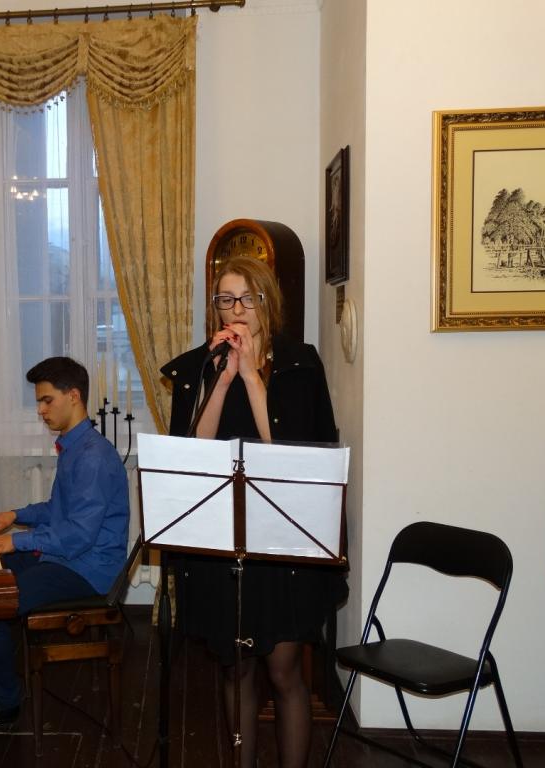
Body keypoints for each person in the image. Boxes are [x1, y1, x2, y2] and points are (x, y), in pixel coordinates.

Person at [160, 255, 346, 768]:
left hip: (282, 539)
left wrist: (251, 377)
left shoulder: (299, 364)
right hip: (223, 538)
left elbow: (290, 451)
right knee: (235, 668)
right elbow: (194, 451)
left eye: (247, 298)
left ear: (268, 303)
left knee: (284, 671)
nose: (236, 310)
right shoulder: (199, 367)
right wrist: (222, 381)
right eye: (226, 299)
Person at [0, 356, 130, 736]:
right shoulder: (76, 445)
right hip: (66, 557)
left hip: (88, 568)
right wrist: (13, 515)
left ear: (74, 396)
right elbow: (58, 509)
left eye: (46, 400)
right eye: (39, 402)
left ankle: (5, 702)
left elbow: (78, 535)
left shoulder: (92, 457)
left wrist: (15, 541)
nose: (40, 410)